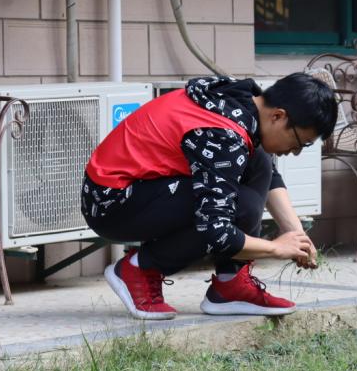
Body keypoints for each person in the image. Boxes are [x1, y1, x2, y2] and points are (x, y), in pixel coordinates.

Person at [81, 73, 337, 320]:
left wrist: (297, 236)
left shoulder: (241, 101)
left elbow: (267, 171)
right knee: (240, 207)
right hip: (111, 203)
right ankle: (140, 268)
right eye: (300, 142)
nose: (295, 152)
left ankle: (231, 285)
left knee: (258, 159)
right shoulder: (225, 135)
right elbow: (217, 231)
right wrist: (276, 248)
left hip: (136, 187)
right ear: (278, 116)